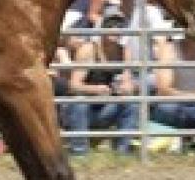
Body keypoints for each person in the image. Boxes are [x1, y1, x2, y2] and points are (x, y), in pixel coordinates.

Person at [58, 17, 139, 157]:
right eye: (111, 24)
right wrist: (96, 89)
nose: (116, 28)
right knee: (79, 102)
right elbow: (73, 85)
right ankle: (80, 152)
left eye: (120, 25)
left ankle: (122, 151)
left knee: (131, 103)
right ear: (103, 28)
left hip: (105, 108)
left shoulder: (123, 51)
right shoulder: (89, 49)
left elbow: (129, 82)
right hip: (81, 110)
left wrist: (126, 88)